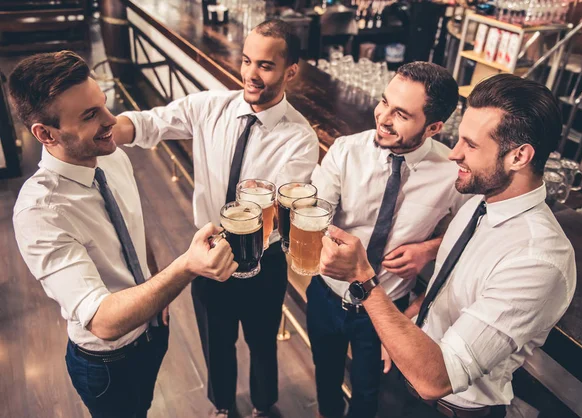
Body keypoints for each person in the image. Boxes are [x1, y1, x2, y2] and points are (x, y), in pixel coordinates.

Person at [319, 74, 577, 418]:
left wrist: (365, 281)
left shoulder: (538, 259)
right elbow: (449, 284)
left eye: (470, 145)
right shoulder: (478, 204)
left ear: (519, 156)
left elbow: (438, 377)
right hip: (407, 378)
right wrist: (407, 321)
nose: (454, 153)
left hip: (451, 406)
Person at [10, 51, 238, 418]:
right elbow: (102, 321)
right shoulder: (40, 213)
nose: (111, 120)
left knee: (143, 406)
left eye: (102, 104)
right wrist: (185, 268)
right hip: (107, 364)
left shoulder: (112, 157)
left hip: (154, 329)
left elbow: (132, 228)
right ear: (45, 134)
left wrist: (154, 288)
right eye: (90, 115)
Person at [111, 19, 319, 418]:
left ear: (291, 71)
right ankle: (222, 406)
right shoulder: (211, 106)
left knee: (262, 342)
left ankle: (262, 405)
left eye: (265, 65)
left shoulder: (299, 137)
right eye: (246, 61)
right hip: (207, 255)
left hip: (263, 261)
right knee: (215, 339)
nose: (250, 75)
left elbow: (267, 212)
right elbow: (149, 123)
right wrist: (106, 130)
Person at [308, 61, 469, 418]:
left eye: (401, 114)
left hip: (388, 308)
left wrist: (430, 249)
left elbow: (468, 237)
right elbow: (315, 216)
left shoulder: (452, 173)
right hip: (327, 294)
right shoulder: (345, 151)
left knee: (369, 390)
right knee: (326, 373)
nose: (382, 117)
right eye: (384, 102)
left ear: (434, 127)